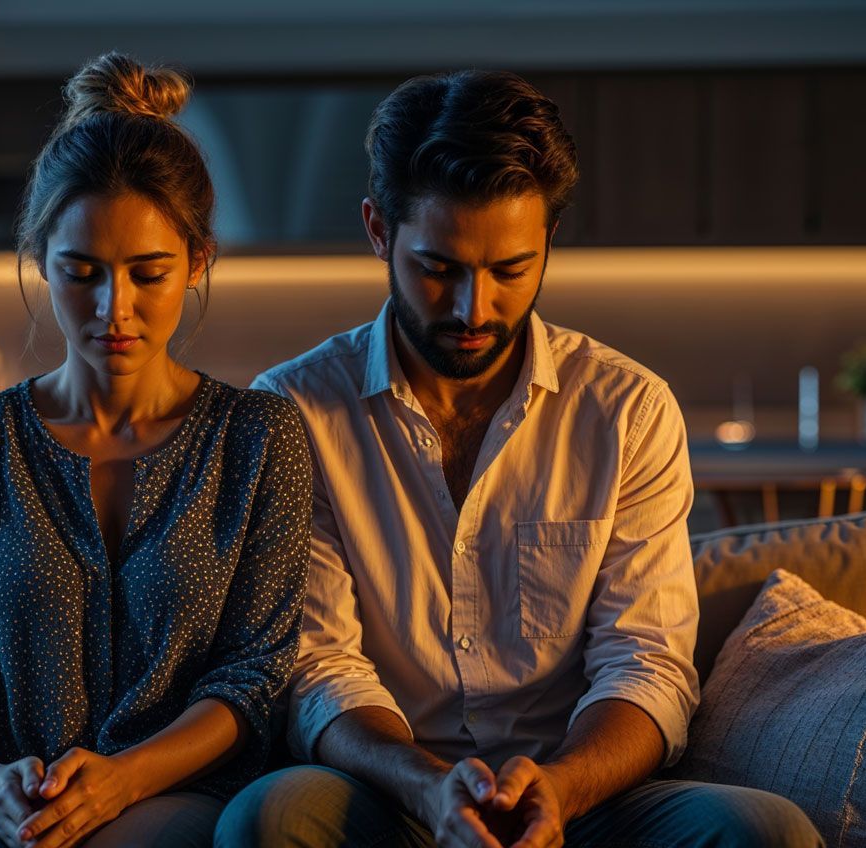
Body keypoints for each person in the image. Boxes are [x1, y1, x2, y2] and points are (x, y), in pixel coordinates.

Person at [217, 71, 824, 848]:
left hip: (585, 794)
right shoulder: (294, 410)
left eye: (510, 270)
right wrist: (429, 787)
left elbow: (646, 661)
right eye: (439, 268)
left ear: (548, 242)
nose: (474, 309)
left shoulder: (627, 410)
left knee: (766, 831)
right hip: (389, 794)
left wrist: (561, 790)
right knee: (270, 818)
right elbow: (317, 665)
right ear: (378, 231)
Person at [0, 53, 311, 848]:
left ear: (199, 261)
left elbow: (254, 674)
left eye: (148, 274)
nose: (115, 309)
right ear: (41, 260)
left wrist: (124, 779)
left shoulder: (257, 439)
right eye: (82, 273)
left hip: (175, 790)